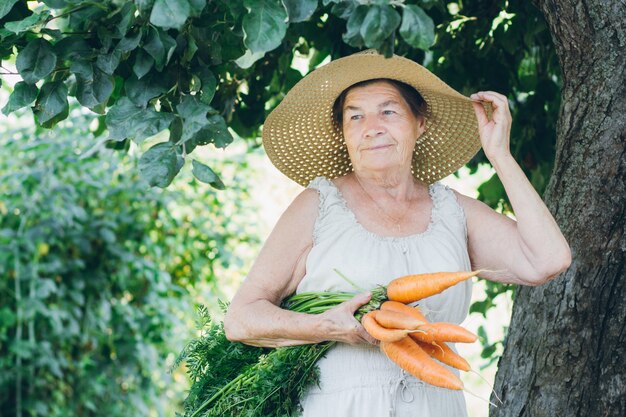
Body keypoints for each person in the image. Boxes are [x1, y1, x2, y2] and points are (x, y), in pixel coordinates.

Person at [224, 50, 571, 417]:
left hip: (438, 406)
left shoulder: (453, 211)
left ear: (419, 122)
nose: (371, 126)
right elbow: (241, 318)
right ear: (343, 134)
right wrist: (327, 326)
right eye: (354, 116)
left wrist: (499, 154)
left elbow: (548, 260)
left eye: (388, 111)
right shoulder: (318, 205)